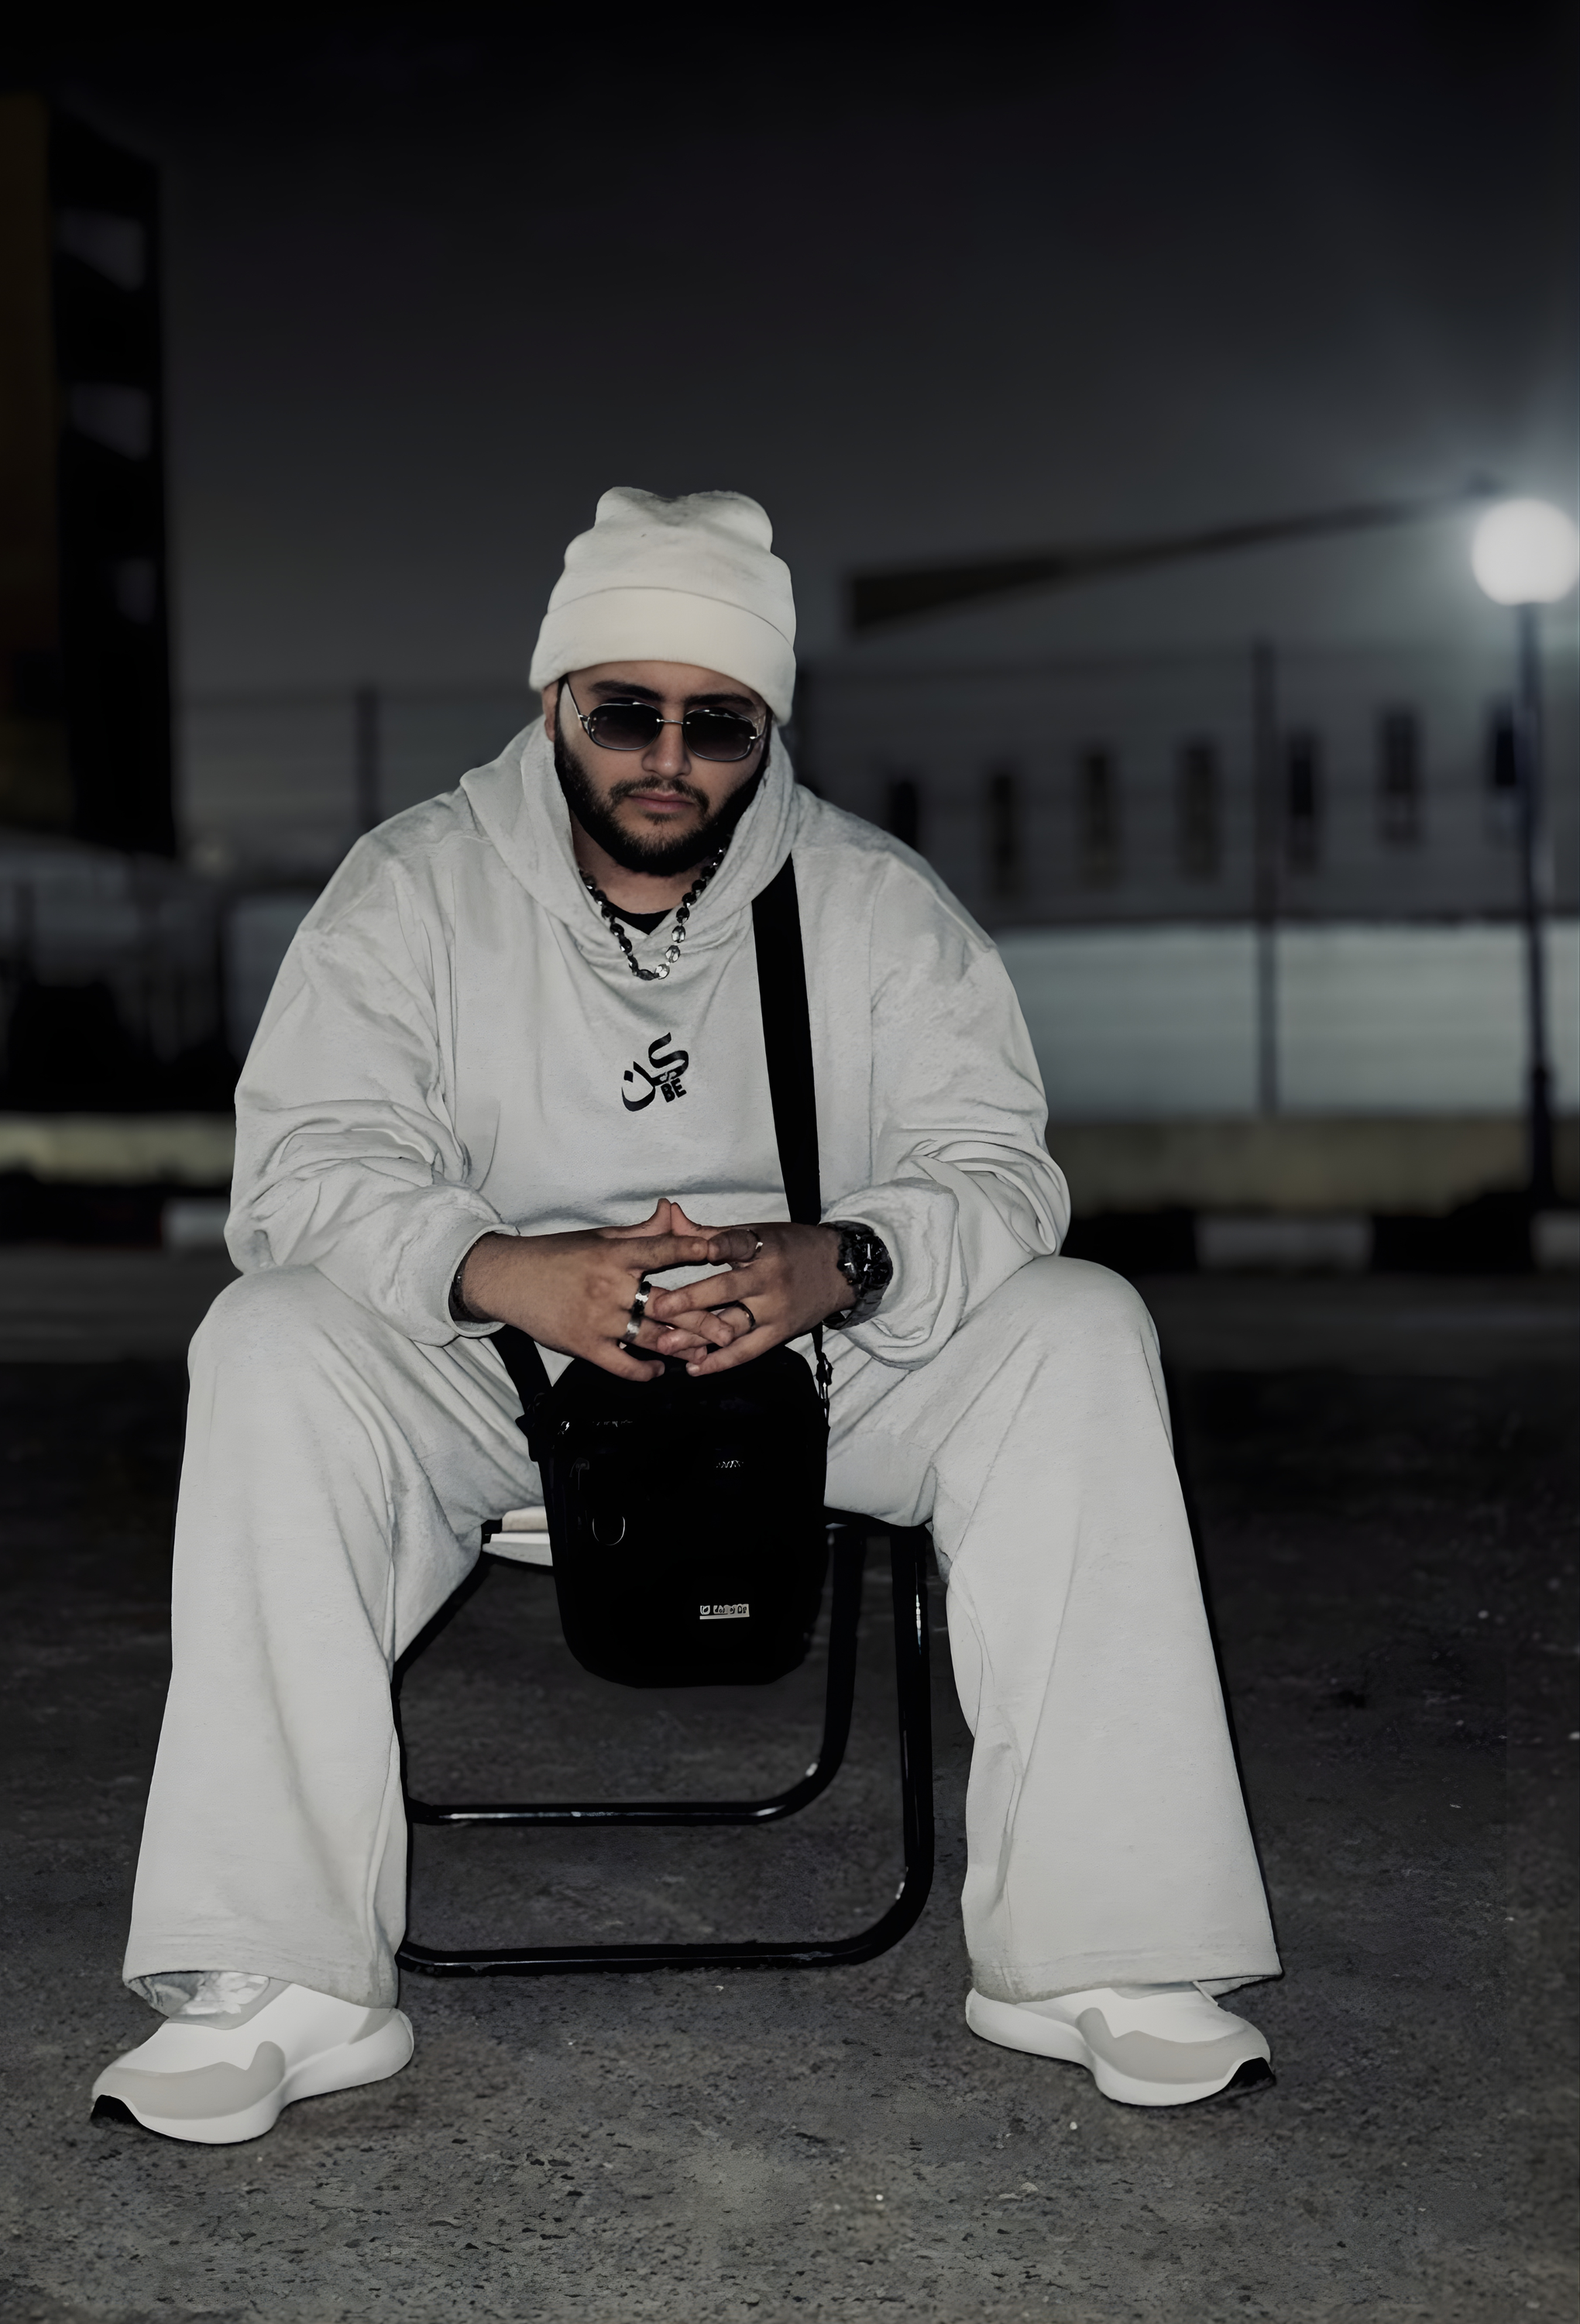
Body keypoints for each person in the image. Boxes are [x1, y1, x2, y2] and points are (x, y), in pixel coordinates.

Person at [91, 487, 1281, 2147]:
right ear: (553, 702)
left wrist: (840, 1259)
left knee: (1080, 1328)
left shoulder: (871, 900)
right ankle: (278, 1979)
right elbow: (305, 1169)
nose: (669, 757)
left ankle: (1108, 1952)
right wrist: (506, 1268)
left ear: (767, 728)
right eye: (625, 710)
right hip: (496, 1370)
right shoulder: (414, 886)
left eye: (718, 722)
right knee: (267, 1340)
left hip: (818, 1370)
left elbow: (1000, 1172)